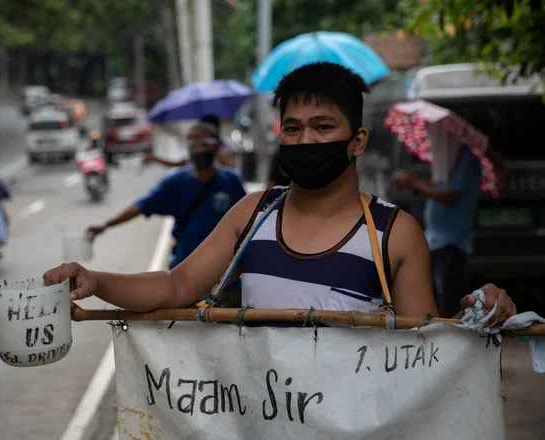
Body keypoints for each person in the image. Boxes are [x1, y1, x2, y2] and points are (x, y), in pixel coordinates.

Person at [45, 62, 516, 326]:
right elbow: (175, 287)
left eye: (322, 127)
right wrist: (98, 280)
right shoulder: (254, 213)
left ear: (357, 141)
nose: (305, 140)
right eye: (293, 128)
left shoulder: (396, 233)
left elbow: (426, 348)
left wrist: (481, 311)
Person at [87, 121, 247, 270]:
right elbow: (141, 206)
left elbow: (248, 220)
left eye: (205, 144)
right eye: (193, 144)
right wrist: (106, 224)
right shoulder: (176, 182)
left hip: (227, 275)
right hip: (186, 271)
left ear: (217, 146)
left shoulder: (231, 181)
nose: (199, 149)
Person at [391, 135, 507, 318]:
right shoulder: (448, 159)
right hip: (436, 241)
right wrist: (413, 183)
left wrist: (414, 183)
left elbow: (450, 195)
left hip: (451, 241)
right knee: (437, 294)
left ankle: (451, 338)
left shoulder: (466, 159)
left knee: (449, 297)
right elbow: (438, 186)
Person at [142, 115, 237, 169]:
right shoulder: (187, 177)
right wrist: (155, 159)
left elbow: (232, 165)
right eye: (194, 144)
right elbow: (179, 163)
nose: (199, 149)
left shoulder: (225, 147)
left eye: (204, 142)